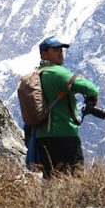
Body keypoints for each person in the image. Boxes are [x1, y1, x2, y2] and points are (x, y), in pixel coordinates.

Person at [31, 36, 100, 177]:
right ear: (44, 53)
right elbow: (91, 88)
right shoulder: (57, 72)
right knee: (74, 177)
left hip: (42, 135)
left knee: (51, 178)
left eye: (61, 50)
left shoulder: (37, 73)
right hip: (64, 134)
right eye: (55, 50)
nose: (60, 53)